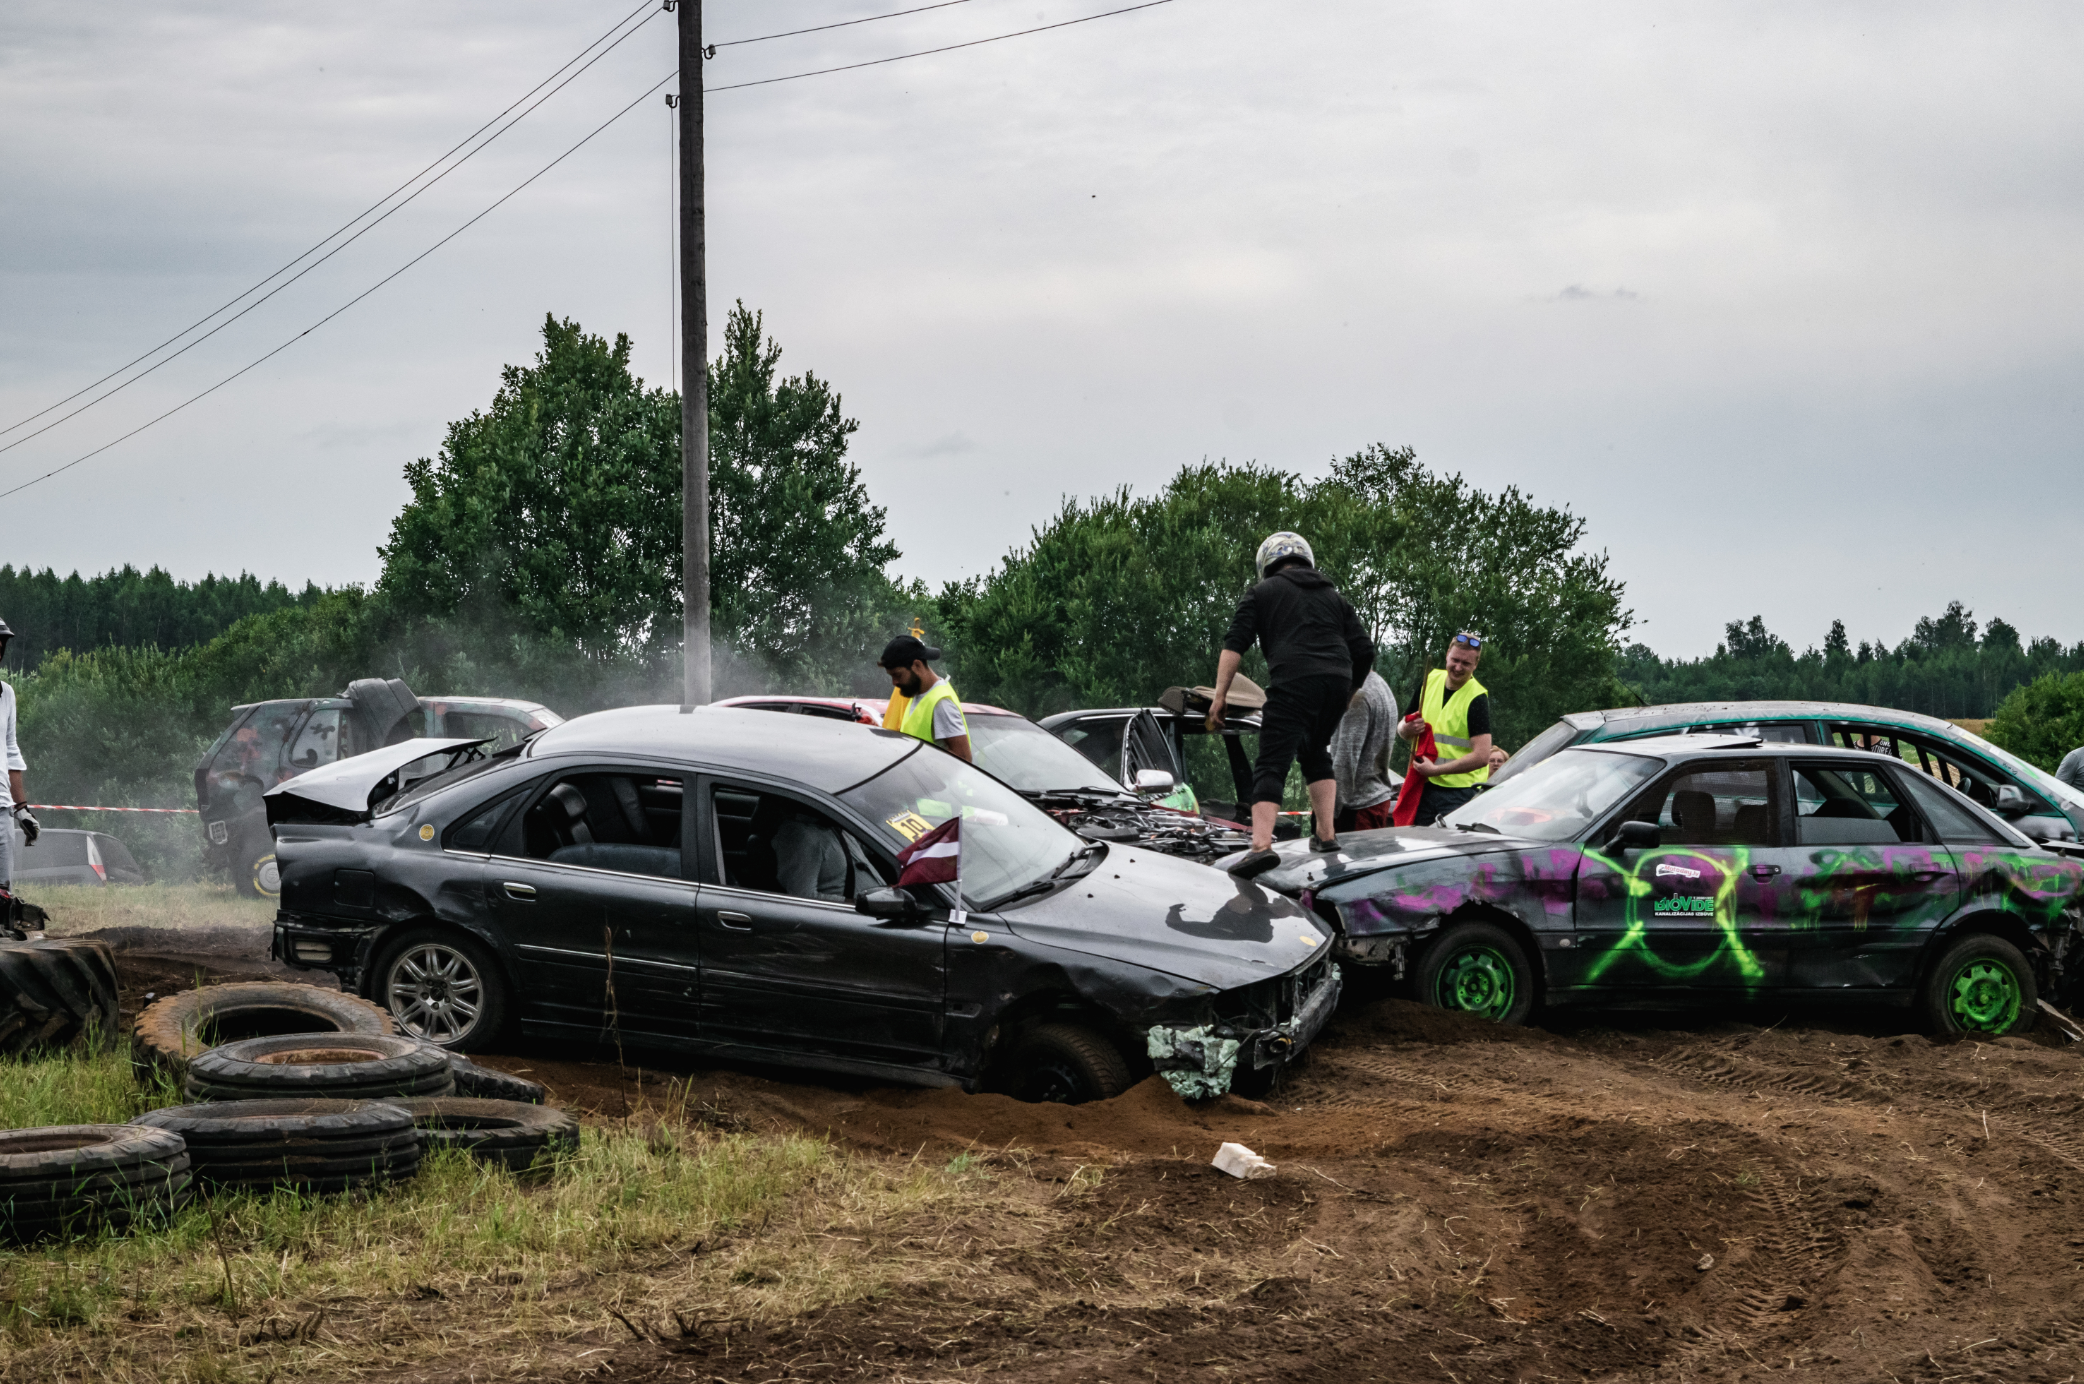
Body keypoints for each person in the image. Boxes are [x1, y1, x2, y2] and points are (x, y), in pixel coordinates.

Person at [1206, 532, 1375, 876]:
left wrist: (1220, 695)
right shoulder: (1334, 596)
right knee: (1315, 751)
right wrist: (1347, 693)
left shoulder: (1261, 592)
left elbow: (1234, 644)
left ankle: (1260, 847)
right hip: (1337, 681)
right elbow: (1365, 652)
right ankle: (1326, 836)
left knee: (1272, 760)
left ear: (1266, 564)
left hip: (1294, 679)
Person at [1398, 631, 1494, 824]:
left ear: (1475, 665)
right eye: (1455, 660)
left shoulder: (1477, 698)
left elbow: (1482, 756)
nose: (1458, 667)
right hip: (1424, 785)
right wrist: (1407, 728)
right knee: (1414, 843)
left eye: (1466, 664)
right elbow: (1402, 729)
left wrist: (1435, 770)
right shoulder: (1430, 679)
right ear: (1447, 656)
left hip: (1460, 793)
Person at [877, 634, 972, 763]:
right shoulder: (914, 694)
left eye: (897, 675)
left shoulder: (941, 702)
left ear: (917, 665)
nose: (894, 682)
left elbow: (963, 758)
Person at [1330, 670, 1399, 832]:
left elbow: (1345, 763)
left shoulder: (1357, 696)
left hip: (1354, 809)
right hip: (1375, 800)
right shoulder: (1379, 684)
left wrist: (1327, 816)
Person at [0, 617, 37, 891]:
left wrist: (22, 809)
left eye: (1, 644)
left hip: (1, 808)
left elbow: (11, 751)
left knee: (3, 890)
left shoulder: (6, 694)